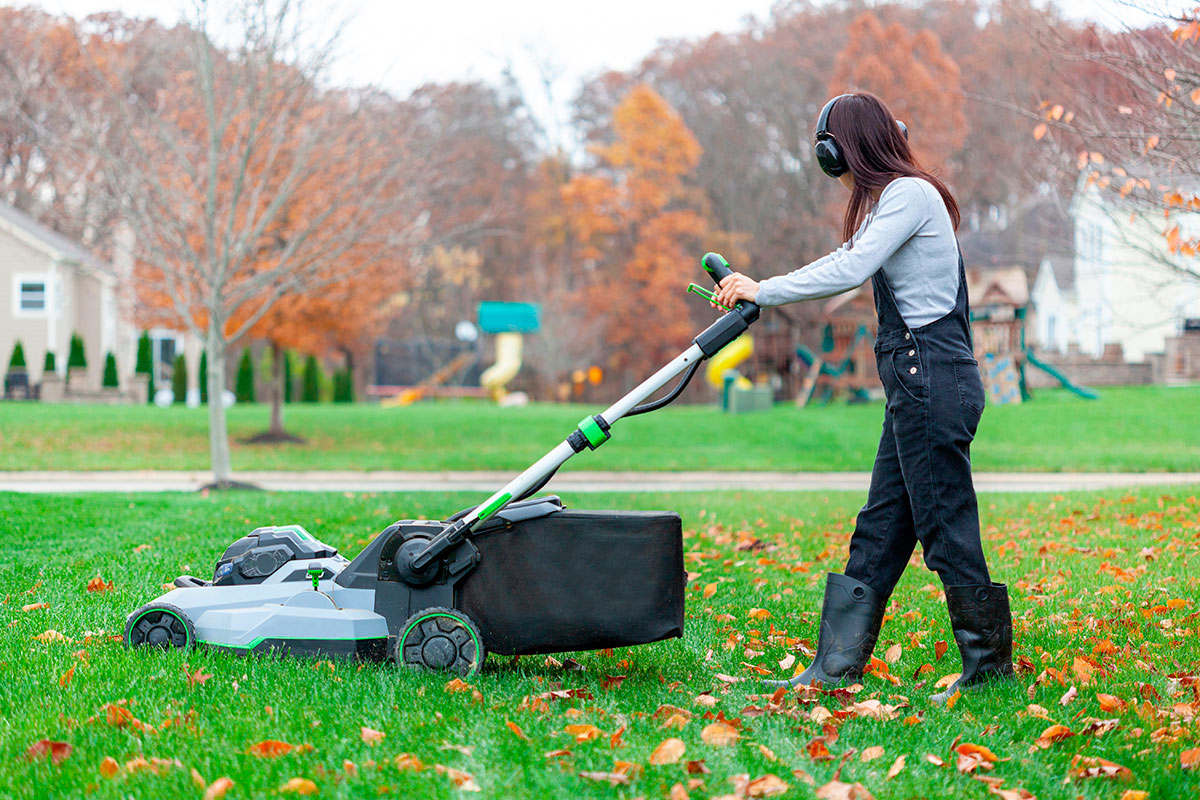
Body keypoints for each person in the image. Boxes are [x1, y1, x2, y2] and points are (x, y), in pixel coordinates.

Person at [713, 92, 1014, 702]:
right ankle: (835, 666)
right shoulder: (893, 200)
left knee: (945, 524)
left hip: (932, 379)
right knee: (880, 526)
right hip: (917, 383)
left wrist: (762, 288)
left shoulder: (909, 194)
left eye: (830, 154)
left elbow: (850, 266)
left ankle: (988, 669)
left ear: (842, 150)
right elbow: (855, 259)